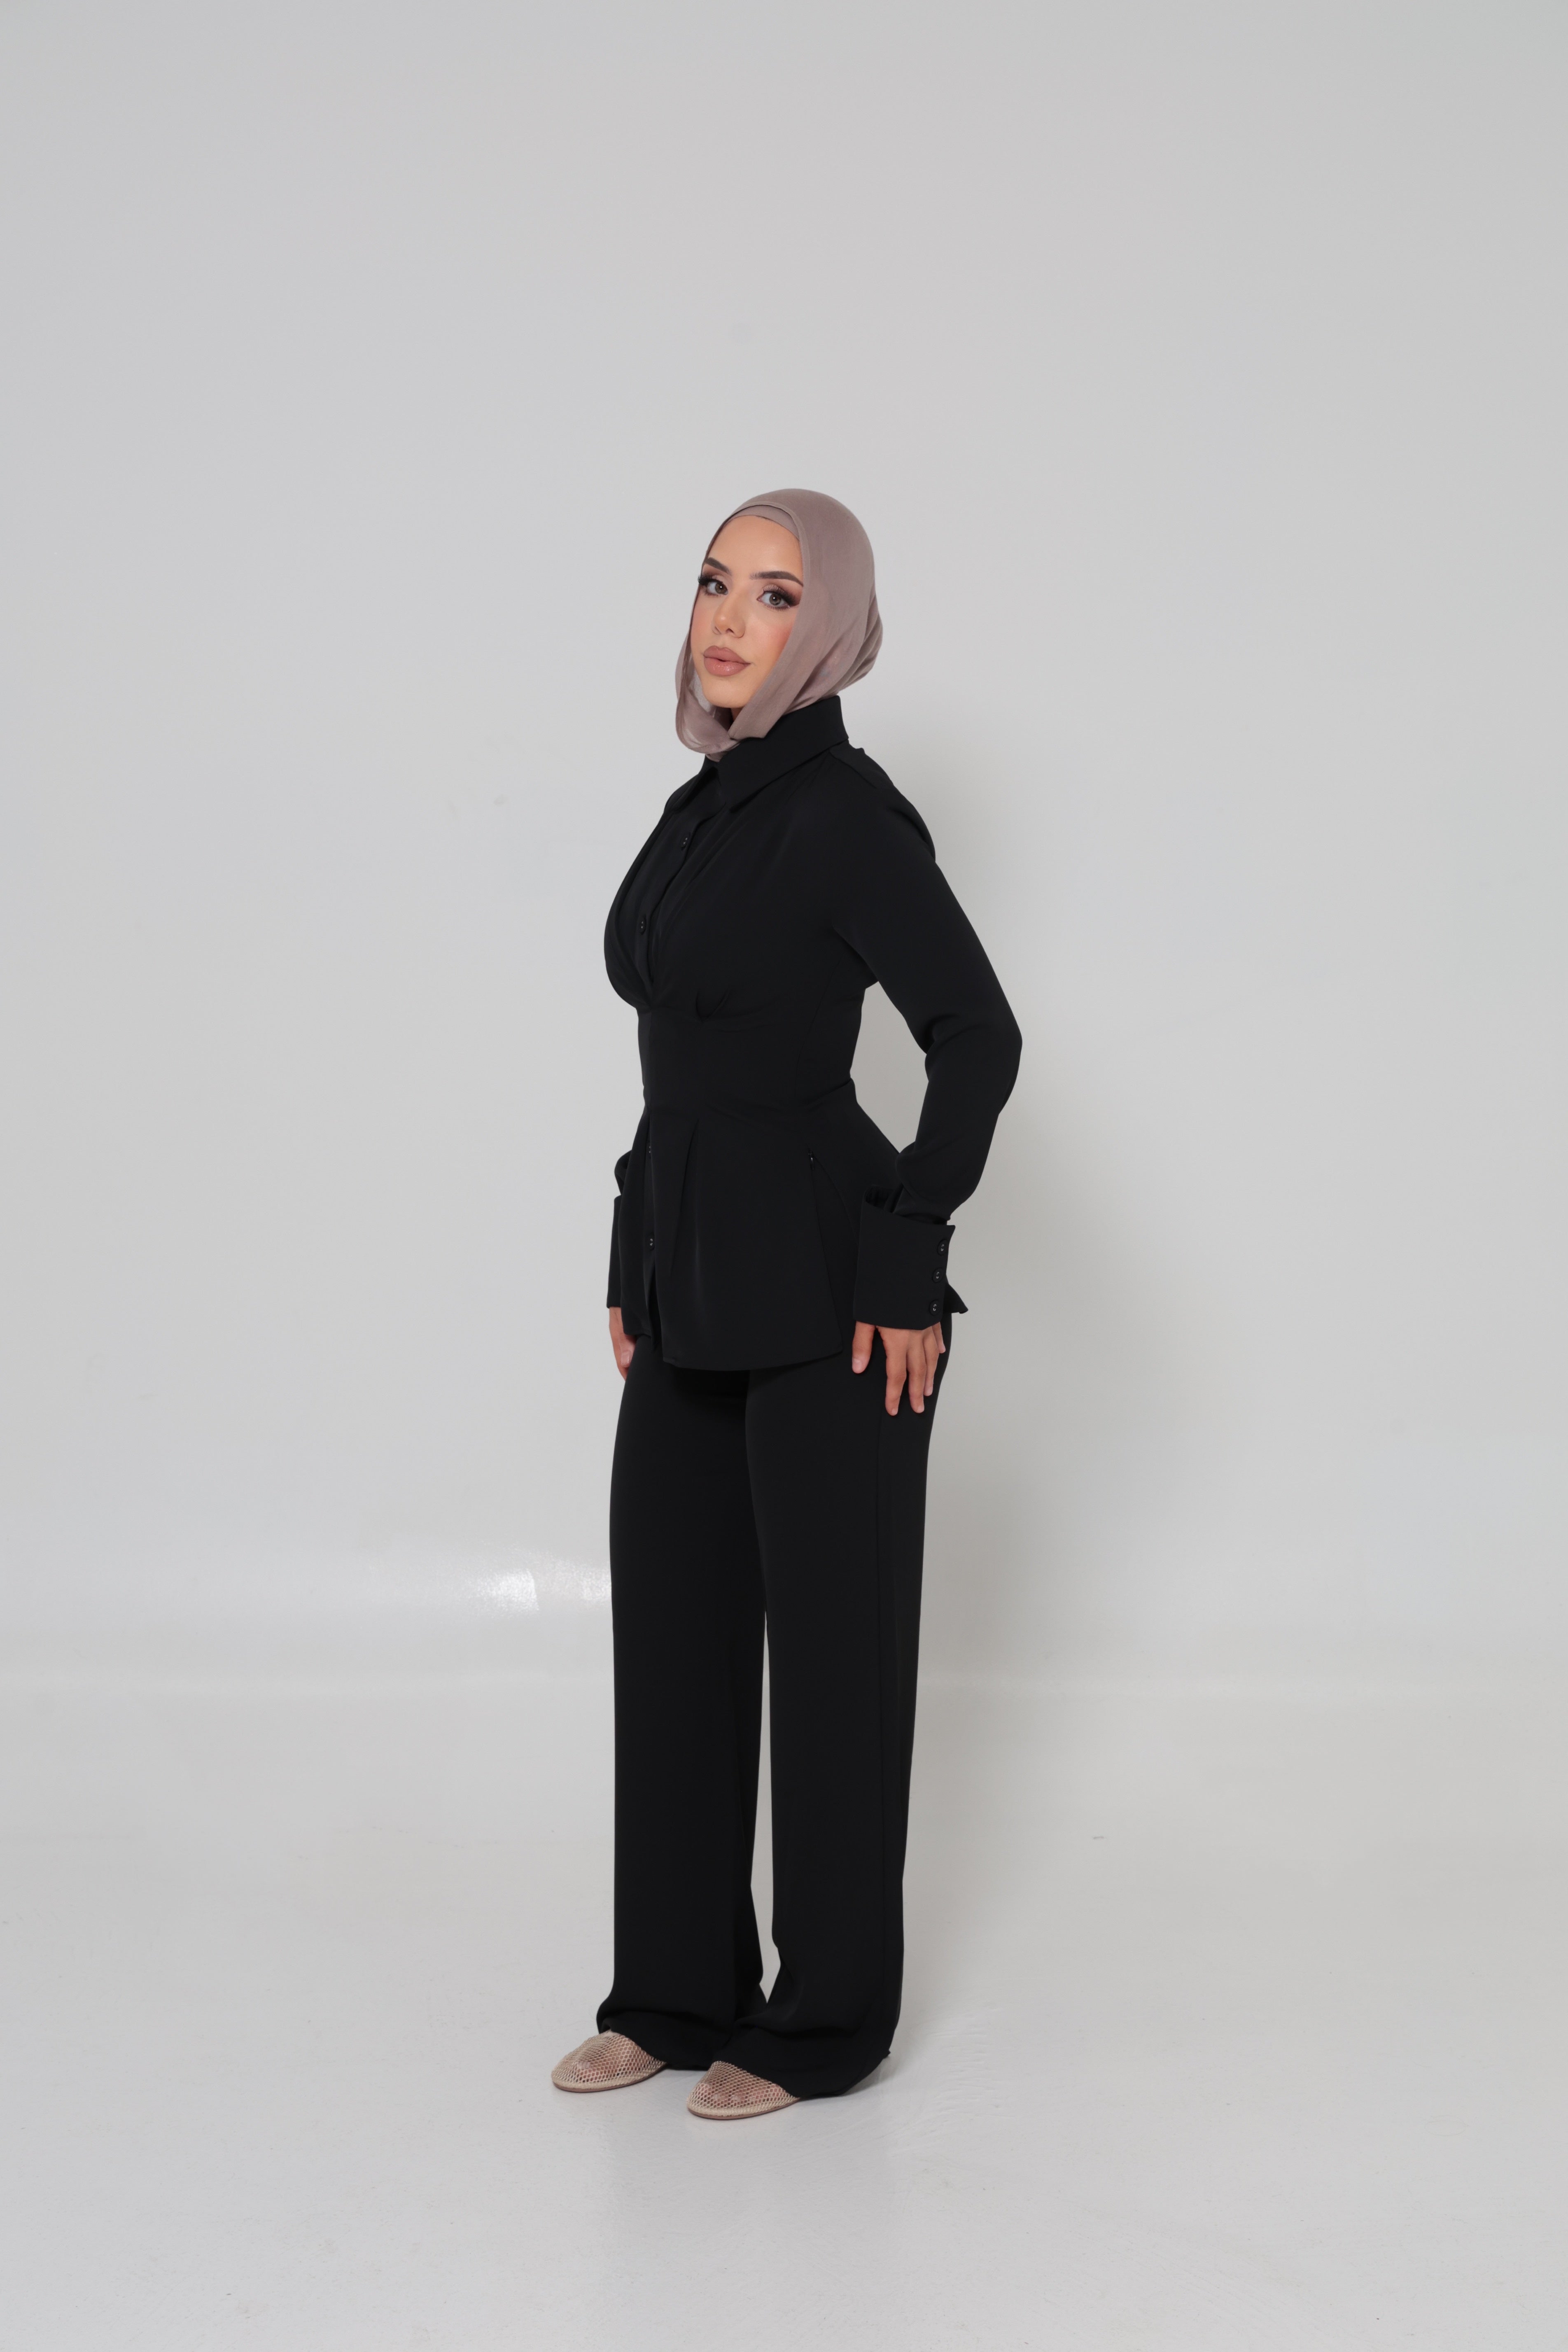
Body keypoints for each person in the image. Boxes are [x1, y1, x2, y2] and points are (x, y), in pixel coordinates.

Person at [552, 490, 1021, 2120]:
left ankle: (823, 2023)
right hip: (694, 1272)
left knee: (833, 1664)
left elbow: (977, 1037)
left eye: (772, 593)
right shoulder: (705, 808)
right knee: (676, 1640)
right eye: (713, 583)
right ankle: (677, 1995)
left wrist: (907, 1257)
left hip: (836, 1290)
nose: (729, 619)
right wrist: (637, 1245)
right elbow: (683, 1066)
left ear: (830, 628)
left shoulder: (841, 816)